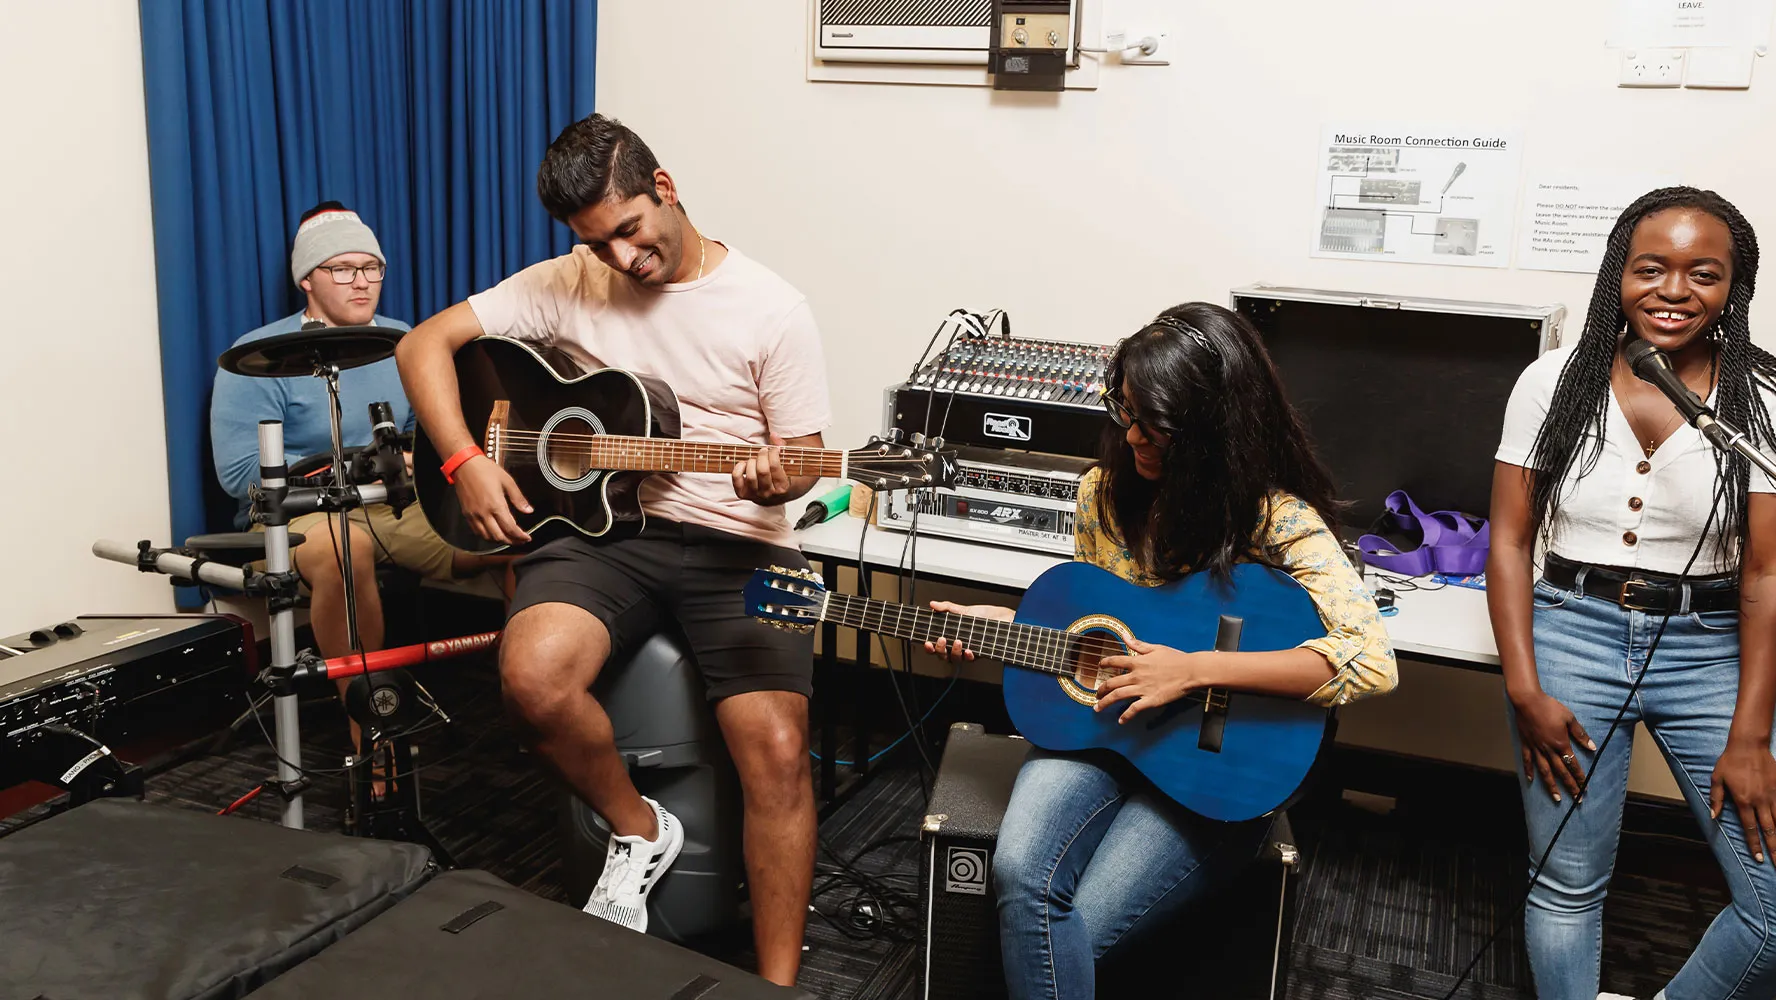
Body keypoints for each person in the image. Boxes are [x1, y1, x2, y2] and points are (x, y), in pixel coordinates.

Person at [395, 114, 829, 984]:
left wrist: (776, 481)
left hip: (736, 543)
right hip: (606, 536)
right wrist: (465, 461)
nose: (621, 260)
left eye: (628, 231)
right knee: (531, 679)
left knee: (776, 749)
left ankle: (778, 984)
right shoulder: (570, 280)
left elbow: (808, 459)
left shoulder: (772, 308)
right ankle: (639, 831)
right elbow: (421, 345)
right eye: (598, 244)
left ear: (664, 189)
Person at [924, 303, 1397, 1000]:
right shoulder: (1102, 496)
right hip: (1107, 733)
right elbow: (1102, 623)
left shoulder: (1275, 519)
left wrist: (1195, 670)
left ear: (1215, 428)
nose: (1136, 435)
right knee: (1021, 876)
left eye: (1161, 425)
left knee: (1074, 926)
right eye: (1128, 411)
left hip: (1216, 765)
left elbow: (1370, 661)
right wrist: (1002, 624)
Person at [1486, 187, 1776, 1000]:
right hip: (1571, 633)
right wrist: (1524, 688)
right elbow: (1508, 540)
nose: (1674, 291)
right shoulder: (1552, 383)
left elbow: (1767, 572)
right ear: (1620, 272)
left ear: (1735, 288)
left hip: (1709, 648)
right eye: (1651, 268)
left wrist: (1749, 736)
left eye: (1704, 274)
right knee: (1567, 883)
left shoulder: (1770, 404)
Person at [211, 202, 512, 778]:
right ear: (307, 279)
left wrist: (416, 457)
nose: (362, 282)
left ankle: (533, 708)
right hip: (296, 514)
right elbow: (241, 474)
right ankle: (373, 743)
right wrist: (355, 464)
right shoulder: (255, 357)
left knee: (513, 531)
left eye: (372, 268)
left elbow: (432, 437)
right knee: (346, 552)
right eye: (343, 269)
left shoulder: (404, 340)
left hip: (394, 504)